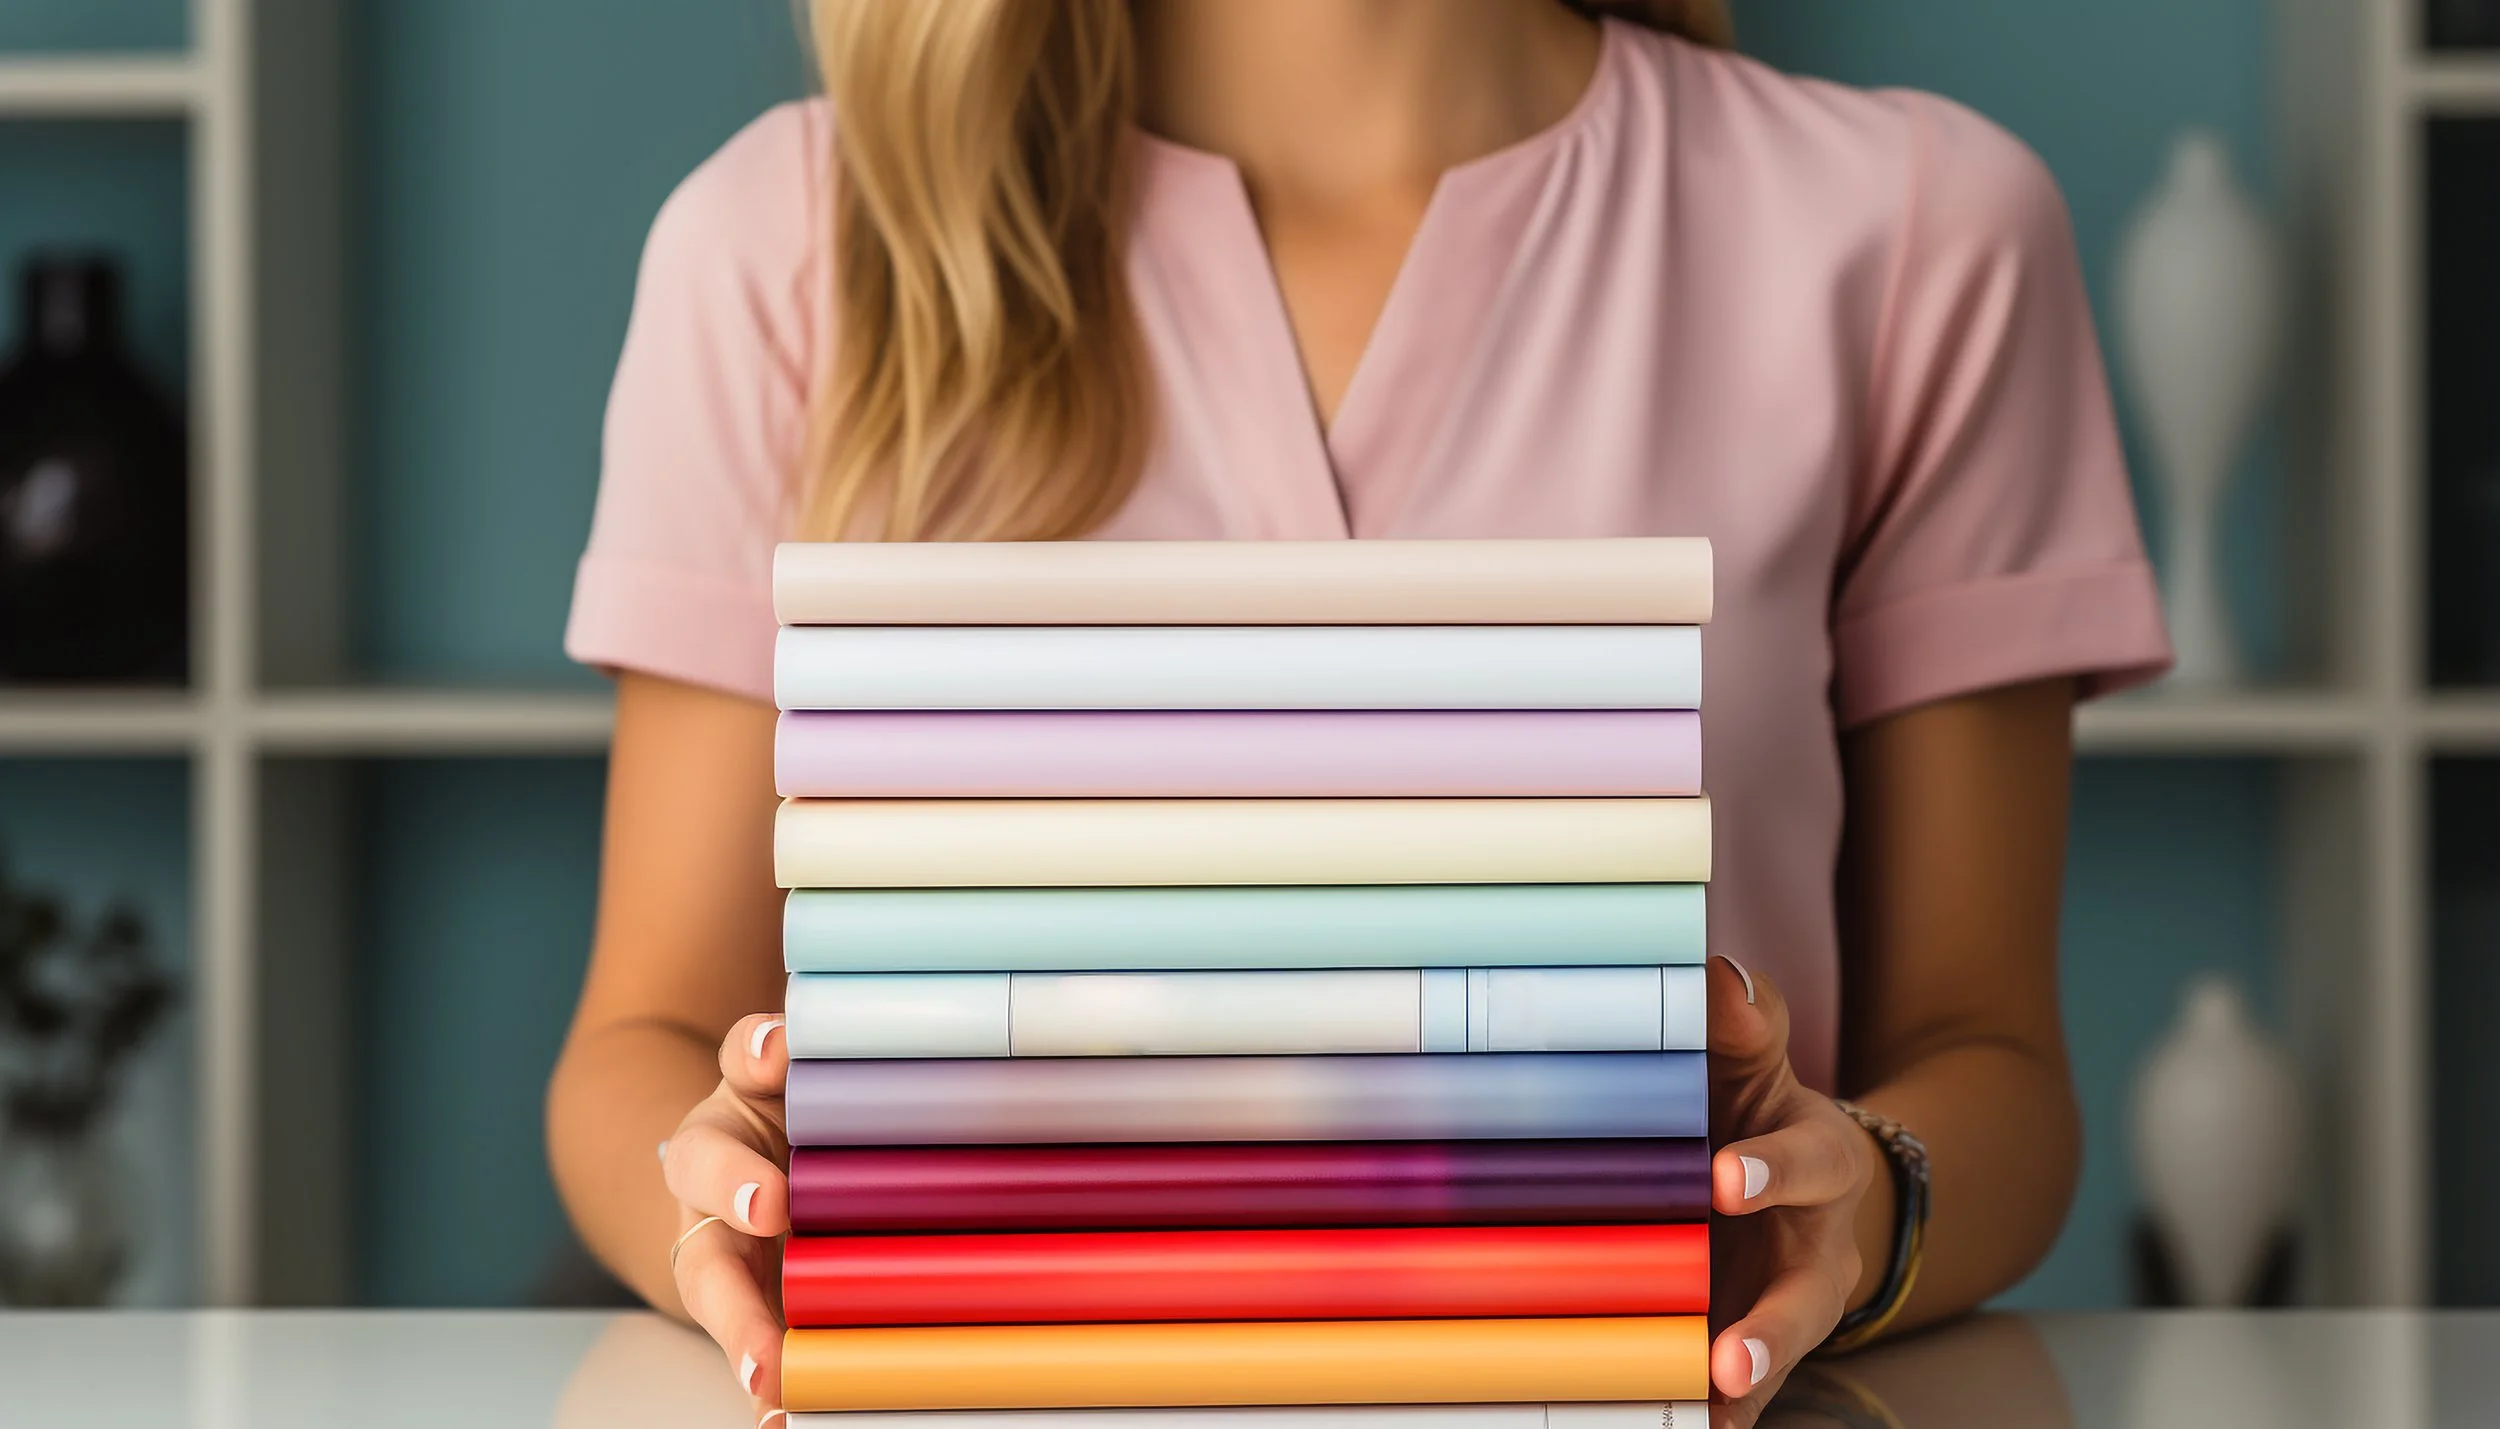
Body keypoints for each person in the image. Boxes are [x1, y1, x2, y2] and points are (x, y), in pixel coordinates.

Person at [548, 2, 2172, 1424]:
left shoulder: (1916, 232)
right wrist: (724, 1218)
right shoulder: (785, 238)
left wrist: (1862, 1210)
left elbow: (1988, 1059)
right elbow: (644, 1044)